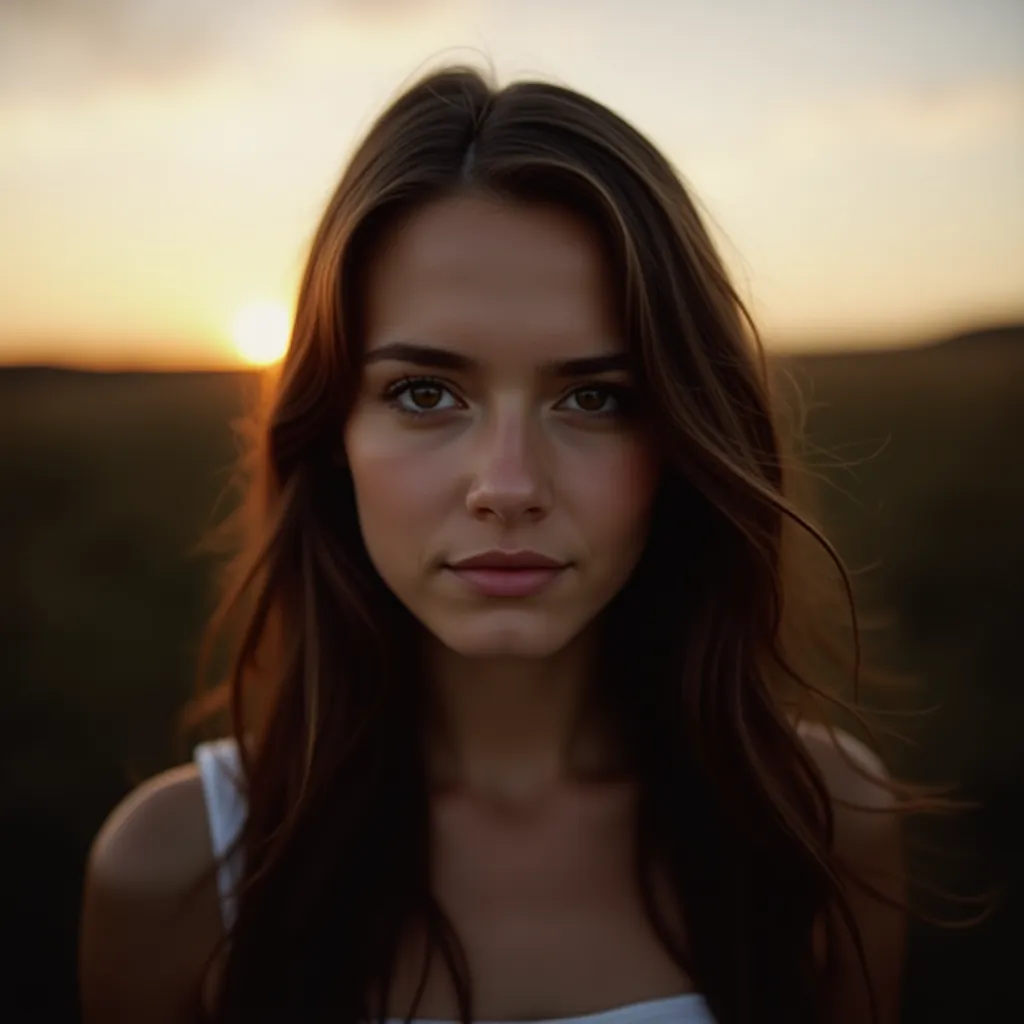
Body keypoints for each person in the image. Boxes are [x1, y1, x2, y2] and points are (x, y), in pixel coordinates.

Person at [78, 66, 909, 1024]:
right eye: (425, 393)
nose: (508, 486)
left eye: (595, 397)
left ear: (685, 435)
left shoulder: (821, 821)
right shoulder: (179, 871)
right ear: (333, 433)